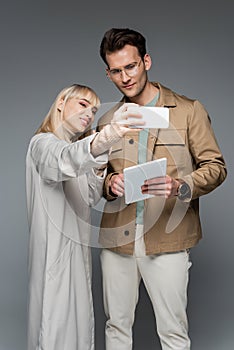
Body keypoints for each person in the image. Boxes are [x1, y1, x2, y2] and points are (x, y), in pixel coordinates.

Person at [97, 28, 227, 350]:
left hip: (168, 238)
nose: (125, 77)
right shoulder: (108, 119)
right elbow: (98, 174)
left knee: (172, 332)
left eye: (131, 66)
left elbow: (216, 167)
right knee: (116, 326)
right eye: (116, 70)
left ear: (146, 61)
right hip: (118, 238)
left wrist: (181, 186)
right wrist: (108, 185)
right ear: (108, 73)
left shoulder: (187, 110)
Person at [26, 83, 144, 350]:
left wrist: (103, 166)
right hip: (53, 254)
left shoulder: (75, 149)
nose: (90, 115)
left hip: (76, 252)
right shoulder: (42, 144)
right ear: (60, 103)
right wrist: (107, 136)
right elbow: (62, 160)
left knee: (78, 329)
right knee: (53, 326)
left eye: (93, 110)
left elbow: (89, 197)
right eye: (83, 105)